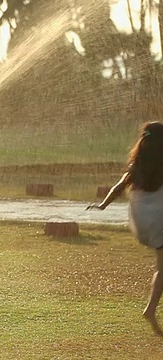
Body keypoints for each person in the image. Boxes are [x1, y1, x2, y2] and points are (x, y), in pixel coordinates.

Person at [87, 121, 163, 335]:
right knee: (162, 266)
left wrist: (103, 205)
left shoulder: (136, 164)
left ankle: (151, 309)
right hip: (159, 219)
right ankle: (150, 309)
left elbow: (119, 187)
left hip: (141, 220)